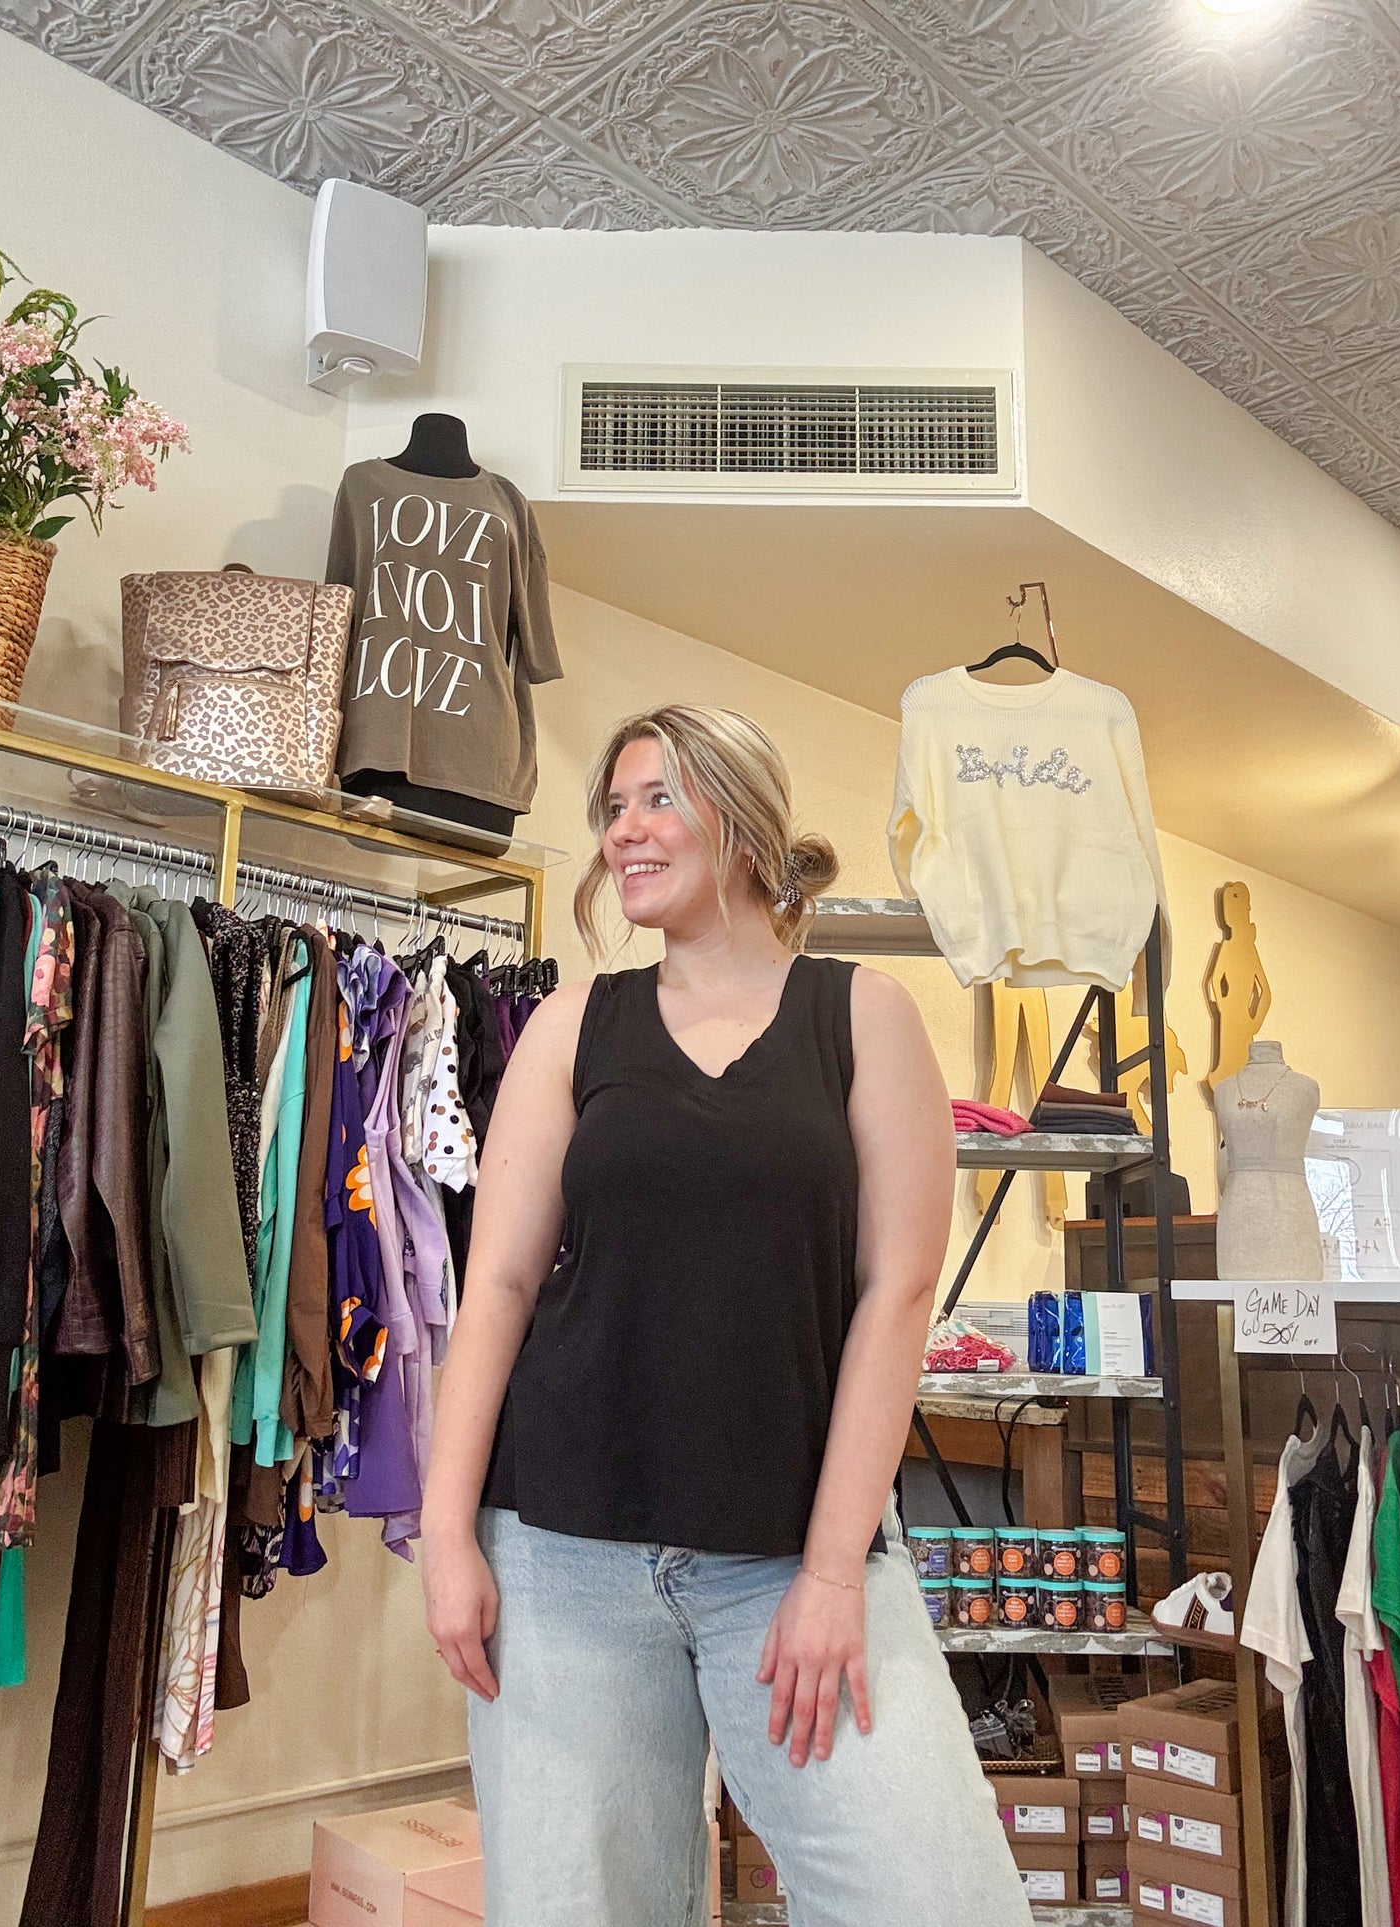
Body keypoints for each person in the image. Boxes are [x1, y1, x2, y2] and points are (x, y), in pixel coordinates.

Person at [419, 703, 1030, 1926]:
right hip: (559, 1552)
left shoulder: (860, 1015)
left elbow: (896, 1292)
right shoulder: (568, 1025)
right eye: (612, 807)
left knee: (939, 1900)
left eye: (657, 798)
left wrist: (827, 1572)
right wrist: (444, 1534)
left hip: (786, 1559)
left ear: (741, 825)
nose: (623, 831)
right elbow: (493, 1282)